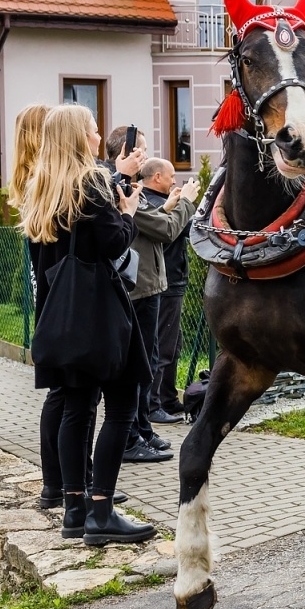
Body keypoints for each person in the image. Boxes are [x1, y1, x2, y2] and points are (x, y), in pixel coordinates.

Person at [19, 104, 155, 546]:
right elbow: (113, 243)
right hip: (100, 314)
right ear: (79, 138)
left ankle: (74, 510)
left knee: (76, 410)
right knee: (121, 408)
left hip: (61, 317)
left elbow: (46, 263)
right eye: (94, 132)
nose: (99, 139)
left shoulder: (41, 189)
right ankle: (102, 512)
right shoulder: (91, 184)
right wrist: (129, 212)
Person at [101, 126, 170, 462]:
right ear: (125, 153)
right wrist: (182, 204)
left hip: (146, 282)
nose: (145, 154)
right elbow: (163, 229)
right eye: (140, 149)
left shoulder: (131, 187)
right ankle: (130, 436)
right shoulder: (118, 188)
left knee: (147, 361)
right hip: (135, 286)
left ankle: (141, 428)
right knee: (136, 366)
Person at [133, 159, 199, 424]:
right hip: (161, 282)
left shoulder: (151, 200)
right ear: (157, 176)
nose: (175, 182)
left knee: (169, 344)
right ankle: (152, 406)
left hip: (166, 279)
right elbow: (170, 229)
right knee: (158, 348)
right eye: (171, 176)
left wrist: (170, 205)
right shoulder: (139, 199)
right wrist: (187, 203)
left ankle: (166, 400)